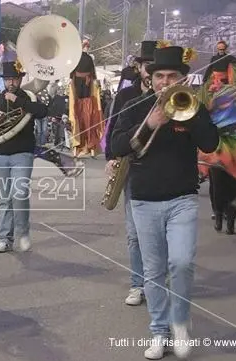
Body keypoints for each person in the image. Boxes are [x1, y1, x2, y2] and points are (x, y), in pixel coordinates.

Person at [110, 46, 219, 360]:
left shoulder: (193, 107)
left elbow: (211, 143)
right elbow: (119, 146)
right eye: (159, 76)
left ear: (183, 79)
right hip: (144, 200)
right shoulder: (133, 106)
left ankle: (180, 322)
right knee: (154, 272)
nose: (165, 82)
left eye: (172, 76)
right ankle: (159, 332)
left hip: (182, 198)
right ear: (150, 77)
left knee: (181, 263)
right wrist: (151, 121)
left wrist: (194, 111)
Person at [104, 40, 156, 306]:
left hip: (164, 171)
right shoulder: (126, 95)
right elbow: (113, 126)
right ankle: (138, 284)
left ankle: (156, 279)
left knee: (159, 232)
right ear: (139, 67)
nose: (152, 71)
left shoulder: (174, 95)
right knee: (134, 232)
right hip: (133, 168)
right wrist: (111, 157)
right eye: (148, 65)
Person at [0, 57, 48, 253]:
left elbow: (42, 111)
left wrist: (17, 100)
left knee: (19, 195)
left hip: (22, 153)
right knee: (3, 198)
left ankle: (23, 233)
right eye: (8, 79)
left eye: (15, 79)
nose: (11, 83)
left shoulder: (28, 96)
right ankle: (5, 238)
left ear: (20, 79)